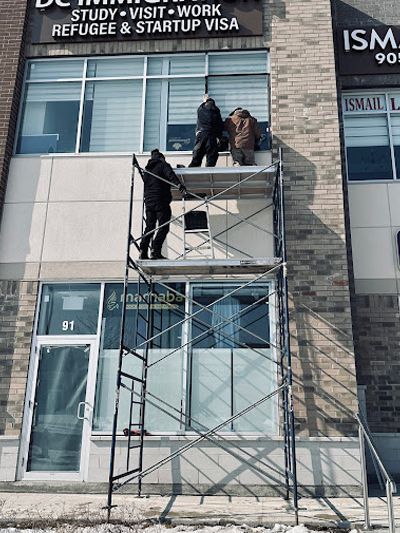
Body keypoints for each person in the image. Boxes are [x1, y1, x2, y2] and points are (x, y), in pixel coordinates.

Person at [140, 149, 186, 260]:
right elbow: (170, 175)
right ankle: (155, 251)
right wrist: (179, 185)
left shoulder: (147, 170)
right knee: (164, 226)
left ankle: (143, 250)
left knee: (150, 227)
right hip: (160, 200)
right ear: (161, 158)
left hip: (149, 202)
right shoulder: (162, 165)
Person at [189, 95, 224, 168]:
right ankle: (209, 171)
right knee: (211, 157)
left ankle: (193, 169)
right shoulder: (216, 111)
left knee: (197, 155)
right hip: (212, 136)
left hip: (201, 134)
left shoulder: (201, 109)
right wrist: (219, 137)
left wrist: (205, 100)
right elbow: (220, 125)